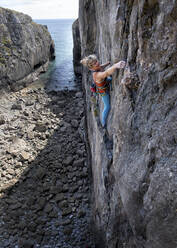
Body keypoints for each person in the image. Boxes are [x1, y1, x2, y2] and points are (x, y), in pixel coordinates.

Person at [80, 54, 126, 128]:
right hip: (103, 92)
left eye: (96, 61)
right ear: (91, 68)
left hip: (105, 83)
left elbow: (102, 66)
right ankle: (103, 122)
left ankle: (110, 84)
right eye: (94, 63)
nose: (97, 63)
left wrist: (108, 63)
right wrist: (115, 66)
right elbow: (106, 73)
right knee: (107, 106)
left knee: (110, 79)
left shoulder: (97, 67)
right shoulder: (96, 75)